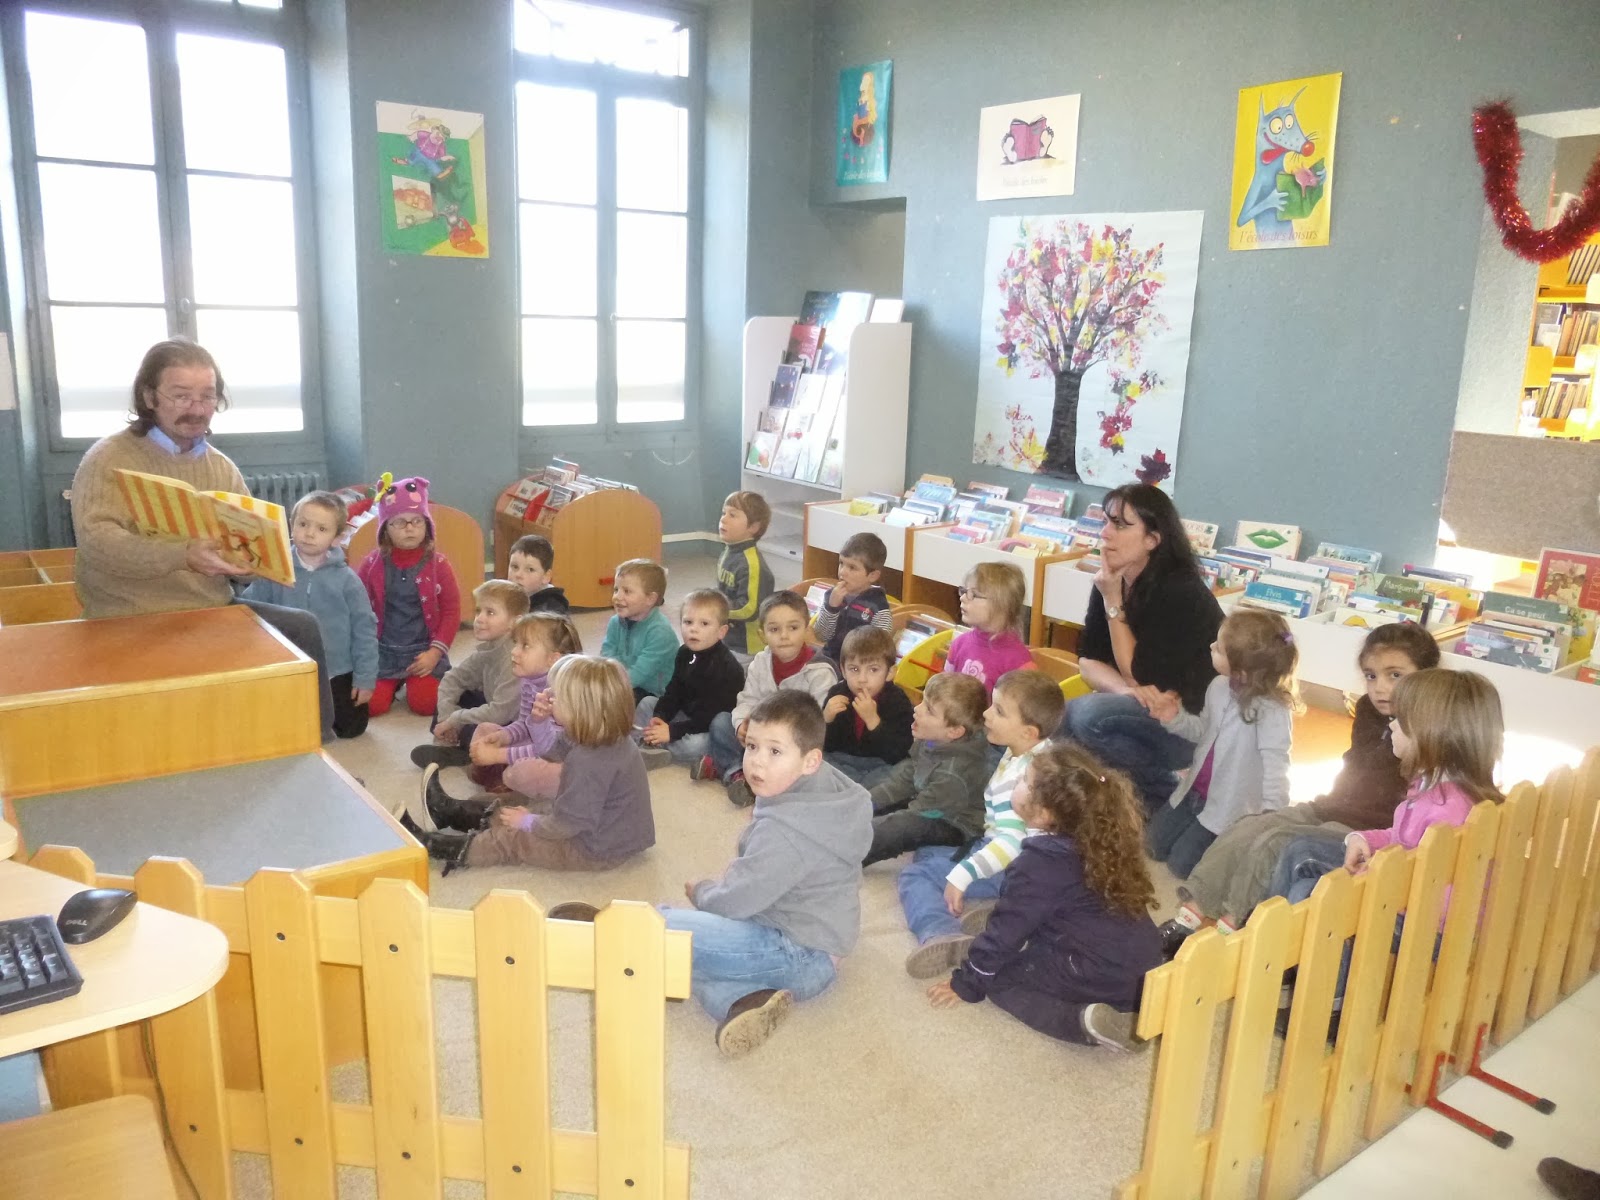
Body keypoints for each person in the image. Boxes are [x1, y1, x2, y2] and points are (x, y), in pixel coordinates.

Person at [69, 337, 335, 739]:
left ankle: (316, 745)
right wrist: (183, 555)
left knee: (302, 628)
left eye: (207, 396)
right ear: (149, 397)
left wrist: (249, 565)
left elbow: (249, 549)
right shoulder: (108, 458)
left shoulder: (221, 467)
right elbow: (98, 543)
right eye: (181, 396)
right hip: (128, 615)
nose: (196, 409)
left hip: (209, 609)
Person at [1158, 622, 1440, 954]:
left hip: (1369, 828)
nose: (1380, 688)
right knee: (1248, 827)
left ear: (1427, 677)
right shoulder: (1367, 708)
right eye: (1371, 675)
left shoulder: (1428, 728)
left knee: (1274, 843)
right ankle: (1191, 913)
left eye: (1395, 675)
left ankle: (1232, 927)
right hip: (1331, 806)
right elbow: (1356, 766)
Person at [663, 691, 871, 1057]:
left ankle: (603, 933)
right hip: (820, 947)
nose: (757, 761)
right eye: (752, 746)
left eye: (775, 751)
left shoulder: (786, 834)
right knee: (695, 970)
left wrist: (702, 892)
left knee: (663, 925)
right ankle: (741, 1002)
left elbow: (738, 898)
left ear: (810, 760)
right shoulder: (827, 787)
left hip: (797, 953)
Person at [927, 743, 1162, 1051]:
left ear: (1043, 814)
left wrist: (968, 983)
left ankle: (1084, 1022)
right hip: (1143, 964)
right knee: (1035, 925)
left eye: (1025, 780)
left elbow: (1004, 936)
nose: (1017, 781)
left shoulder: (1039, 863)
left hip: (1099, 974)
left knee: (1000, 979)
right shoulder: (1100, 840)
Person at [1058, 483, 1224, 811]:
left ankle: (1166, 796)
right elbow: (1088, 661)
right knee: (1062, 721)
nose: (1105, 533)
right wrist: (1124, 692)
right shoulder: (1113, 578)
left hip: (1189, 724)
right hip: (1145, 708)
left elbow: (1139, 674)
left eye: (1120, 525)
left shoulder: (1180, 590)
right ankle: (1095, 810)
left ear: (1153, 539)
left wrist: (1113, 602)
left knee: (1088, 716)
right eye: (1107, 521)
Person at [1278, 668, 1504, 906]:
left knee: (1305, 889)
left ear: (1430, 734)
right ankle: (1270, 924)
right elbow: (1403, 839)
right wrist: (1365, 839)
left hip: (1404, 915)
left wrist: (1365, 877)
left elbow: (1426, 892)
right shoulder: (1438, 789)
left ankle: (1275, 928)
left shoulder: (1446, 812)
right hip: (1394, 882)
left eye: (1400, 720)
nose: (1392, 726)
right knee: (1301, 849)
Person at [898, 669, 1065, 978]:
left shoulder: (1022, 784)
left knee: (915, 875)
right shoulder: (1036, 752)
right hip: (1026, 861)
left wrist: (963, 875)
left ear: (1028, 732)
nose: (986, 714)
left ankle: (940, 933)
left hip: (1016, 864)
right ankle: (1005, 907)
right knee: (928, 853)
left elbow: (1012, 844)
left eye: (998, 710)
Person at [420, 655, 655, 873]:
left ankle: (441, 848)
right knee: (522, 804)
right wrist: (539, 722)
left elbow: (566, 825)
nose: (549, 696)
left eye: (557, 696)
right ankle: (450, 812)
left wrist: (527, 822)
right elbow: (551, 753)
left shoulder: (589, 762)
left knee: (514, 839)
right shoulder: (597, 732)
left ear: (580, 710)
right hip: (599, 827)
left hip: (596, 848)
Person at [1136, 608, 1300, 880]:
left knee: (1181, 866)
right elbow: (1203, 731)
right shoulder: (1218, 686)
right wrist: (1174, 717)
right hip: (1193, 792)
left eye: (1219, 649)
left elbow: (1277, 766)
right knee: (1152, 845)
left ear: (1243, 670)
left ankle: (1232, 846)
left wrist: (1271, 815)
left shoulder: (1273, 710)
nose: (1211, 646)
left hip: (1228, 807)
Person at [411, 611, 583, 817]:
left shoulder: (560, 692)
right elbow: (524, 724)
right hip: (536, 748)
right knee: (486, 730)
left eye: (525, 646)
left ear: (552, 659)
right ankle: (499, 783)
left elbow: (549, 749)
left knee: (521, 772)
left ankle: (507, 795)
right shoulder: (529, 681)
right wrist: (503, 736)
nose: (514, 652)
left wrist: (499, 755)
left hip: (562, 763)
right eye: (516, 643)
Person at [241, 489, 377, 739]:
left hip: (337, 669)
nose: (310, 533)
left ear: (337, 538)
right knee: (287, 728)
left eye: (322, 529)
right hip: (289, 668)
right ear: (291, 525)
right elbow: (249, 609)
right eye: (303, 524)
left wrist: (365, 679)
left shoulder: (348, 580)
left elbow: (365, 630)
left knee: (351, 729)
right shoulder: (275, 570)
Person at [700, 590, 837, 806]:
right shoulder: (760, 662)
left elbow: (819, 725)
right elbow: (747, 700)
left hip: (789, 744)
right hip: (758, 738)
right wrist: (741, 725)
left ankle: (738, 774)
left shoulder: (820, 672)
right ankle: (738, 773)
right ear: (762, 634)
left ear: (806, 629)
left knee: (819, 763)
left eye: (793, 628)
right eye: (774, 629)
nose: (784, 636)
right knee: (721, 722)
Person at [356, 475, 461, 718]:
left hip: (423, 650)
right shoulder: (371, 564)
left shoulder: (439, 564)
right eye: (400, 522)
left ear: (427, 526)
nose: (410, 528)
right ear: (386, 528)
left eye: (417, 521)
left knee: (426, 705)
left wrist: (434, 654)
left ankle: (412, 680)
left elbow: (451, 612)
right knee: (370, 706)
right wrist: (363, 658)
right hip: (383, 651)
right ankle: (394, 683)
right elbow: (358, 610)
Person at [864, 672, 991, 865]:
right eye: (923, 701)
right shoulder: (932, 739)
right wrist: (864, 803)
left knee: (899, 827)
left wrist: (868, 826)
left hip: (954, 824)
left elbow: (917, 814)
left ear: (954, 731)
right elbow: (906, 778)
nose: (917, 709)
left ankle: (849, 852)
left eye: (929, 710)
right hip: (931, 799)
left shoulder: (953, 775)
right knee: (876, 792)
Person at [638, 589, 746, 769]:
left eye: (704, 623)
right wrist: (660, 716)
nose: (693, 629)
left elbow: (710, 717)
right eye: (688, 622)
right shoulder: (684, 652)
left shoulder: (727, 667)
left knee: (695, 746)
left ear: (721, 632)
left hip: (707, 727)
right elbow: (674, 691)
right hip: (686, 716)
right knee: (647, 703)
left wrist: (672, 731)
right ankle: (644, 743)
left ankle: (657, 744)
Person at [427, 579, 528, 754]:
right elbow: (453, 678)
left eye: (490, 612)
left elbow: (500, 714)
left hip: (515, 724)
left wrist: (455, 719)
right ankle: (458, 739)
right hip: (495, 707)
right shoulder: (488, 648)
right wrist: (446, 717)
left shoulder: (515, 657)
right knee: (450, 699)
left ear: (514, 622)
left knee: (484, 731)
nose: (479, 619)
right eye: (478, 611)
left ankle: (468, 750)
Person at [821, 626, 914, 786]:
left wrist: (873, 721)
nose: (862, 679)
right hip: (840, 762)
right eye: (854, 669)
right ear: (843, 670)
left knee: (906, 770)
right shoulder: (837, 693)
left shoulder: (897, 701)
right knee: (814, 761)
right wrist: (826, 719)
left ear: (890, 673)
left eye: (873, 670)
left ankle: (855, 793)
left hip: (879, 765)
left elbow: (899, 752)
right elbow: (827, 745)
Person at [943, 561, 1035, 697]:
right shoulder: (959, 644)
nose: (962, 598)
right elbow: (943, 695)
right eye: (964, 591)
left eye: (974, 594)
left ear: (1002, 605)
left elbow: (1021, 708)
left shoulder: (1018, 662)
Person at [600, 558, 678, 703]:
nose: (617, 597)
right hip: (625, 682)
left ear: (650, 599)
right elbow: (607, 653)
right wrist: (606, 678)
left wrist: (611, 688)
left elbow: (641, 672)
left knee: (609, 703)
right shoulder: (615, 622)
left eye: (627, 591)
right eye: (616, 590)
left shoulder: (660, 632)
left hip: (654, 692)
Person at [813, 532, 892, 663]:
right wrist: (832, 607)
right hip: (828, 662)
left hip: (858, 666)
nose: (842, 572)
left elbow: (879, 650)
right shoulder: (832, 595)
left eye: (852, 567)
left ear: (872, 576)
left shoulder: (878, 607)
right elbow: (821, 635)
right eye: (841, 563)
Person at [717, 491, 775, 660]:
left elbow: (750, 608)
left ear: (753, 527)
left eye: (732, 515)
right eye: (724, 513)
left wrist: (717, 610)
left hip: (747, 646)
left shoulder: (751, 565)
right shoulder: (729, 552)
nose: (723, 519)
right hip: (727, 635)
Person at [506, 533, 570, 615]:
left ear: (546, 577)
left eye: (530, 569)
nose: (518, 575)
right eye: (515, 567)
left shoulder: (549, 611)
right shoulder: (507, 594)